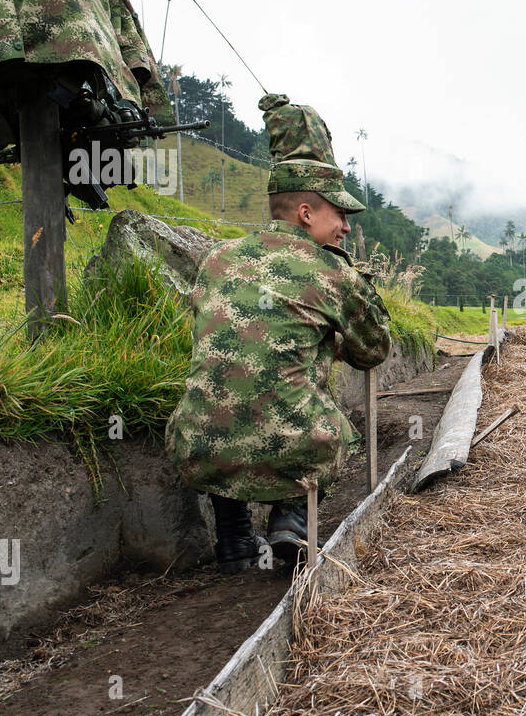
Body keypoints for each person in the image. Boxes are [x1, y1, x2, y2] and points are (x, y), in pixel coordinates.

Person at [165, 93, 391, 571]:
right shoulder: (328, 271)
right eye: (340, 215)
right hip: (289, 443)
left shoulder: (217, 258)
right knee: (336, 434)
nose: (346, 228)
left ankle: (233, 536)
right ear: (307, 213)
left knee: (233, 392)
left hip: (195, 446)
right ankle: (290, 519)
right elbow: (374, 350)